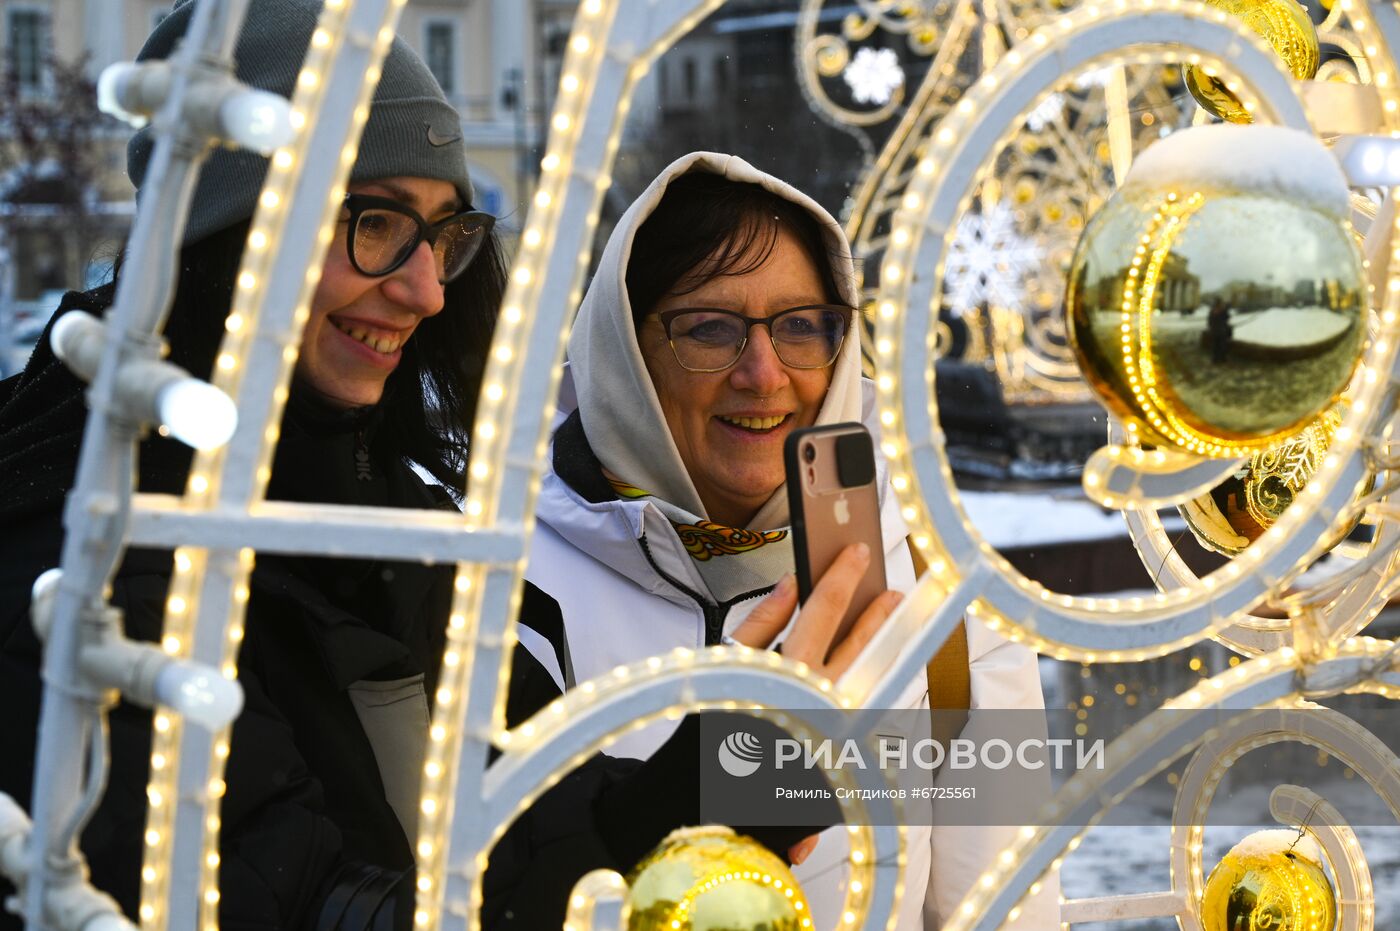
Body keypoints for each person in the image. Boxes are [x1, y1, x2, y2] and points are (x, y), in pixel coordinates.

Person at [0, 7, 908, 929]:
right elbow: (298, 903)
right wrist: (722, 800)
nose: (426, 287)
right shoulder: (92, 542)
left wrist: (732, 778)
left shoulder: (395, 510)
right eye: (376, 221)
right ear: (234, 228)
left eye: (441, 235)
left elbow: (526, 825)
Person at [517, 152, 1061, 928]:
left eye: (802, 327)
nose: (764, 373)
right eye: (711, 329)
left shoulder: (940, 600)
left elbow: (1005, 913)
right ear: (624, 351)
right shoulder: (492, 583)